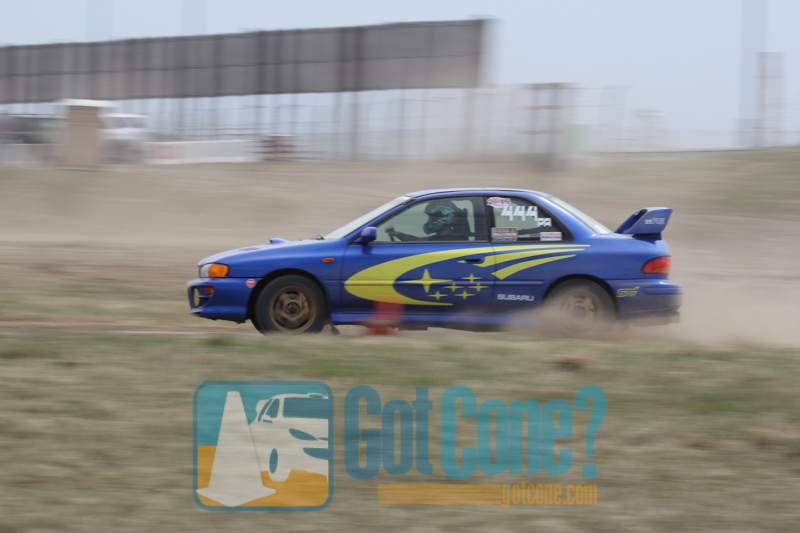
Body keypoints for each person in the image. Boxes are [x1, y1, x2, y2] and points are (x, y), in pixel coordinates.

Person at [385, 201, 460, 241]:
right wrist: (396, 233)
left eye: (431, 218)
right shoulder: (438, 238)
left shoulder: (456, 239)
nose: (428, 222)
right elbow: (416, 240)